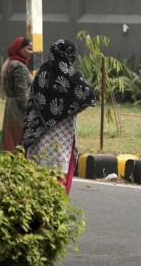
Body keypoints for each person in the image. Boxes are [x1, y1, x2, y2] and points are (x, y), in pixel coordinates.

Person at [22, 39, 96, 194]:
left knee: (38, 172)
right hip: (62, 131)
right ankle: (56, 208)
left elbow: (33, 100)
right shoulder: (70, 75)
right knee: (59, 173)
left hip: (39, 131)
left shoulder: (42, 71)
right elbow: (88, 95)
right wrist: (73, 110)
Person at [0, 36, 33, 153]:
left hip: (11, 106)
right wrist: (32, 111)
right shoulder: (19, 67)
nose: (31, 52)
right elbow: (22, 95)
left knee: (10, 140)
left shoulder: (9, 63)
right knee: (17, 141)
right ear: (20, 48)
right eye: (29, 49)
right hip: (18, 110)